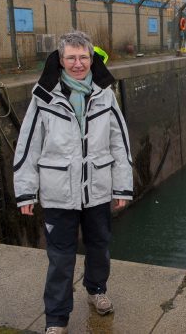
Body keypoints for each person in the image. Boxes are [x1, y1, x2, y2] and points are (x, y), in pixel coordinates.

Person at [13, 31, 133, 334]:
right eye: (71, 58)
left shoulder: (104, 93)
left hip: (97, 191)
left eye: (83, 57)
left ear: (91, 59)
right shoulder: (43, 96)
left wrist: (122, 187)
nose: (78, 63)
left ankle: (96, 291)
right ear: (60, 59)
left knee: (99, 247)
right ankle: (56, 319)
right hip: (58, 194)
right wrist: (26, 191)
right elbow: (28, 145)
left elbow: (120, 142)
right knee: (60, 259)